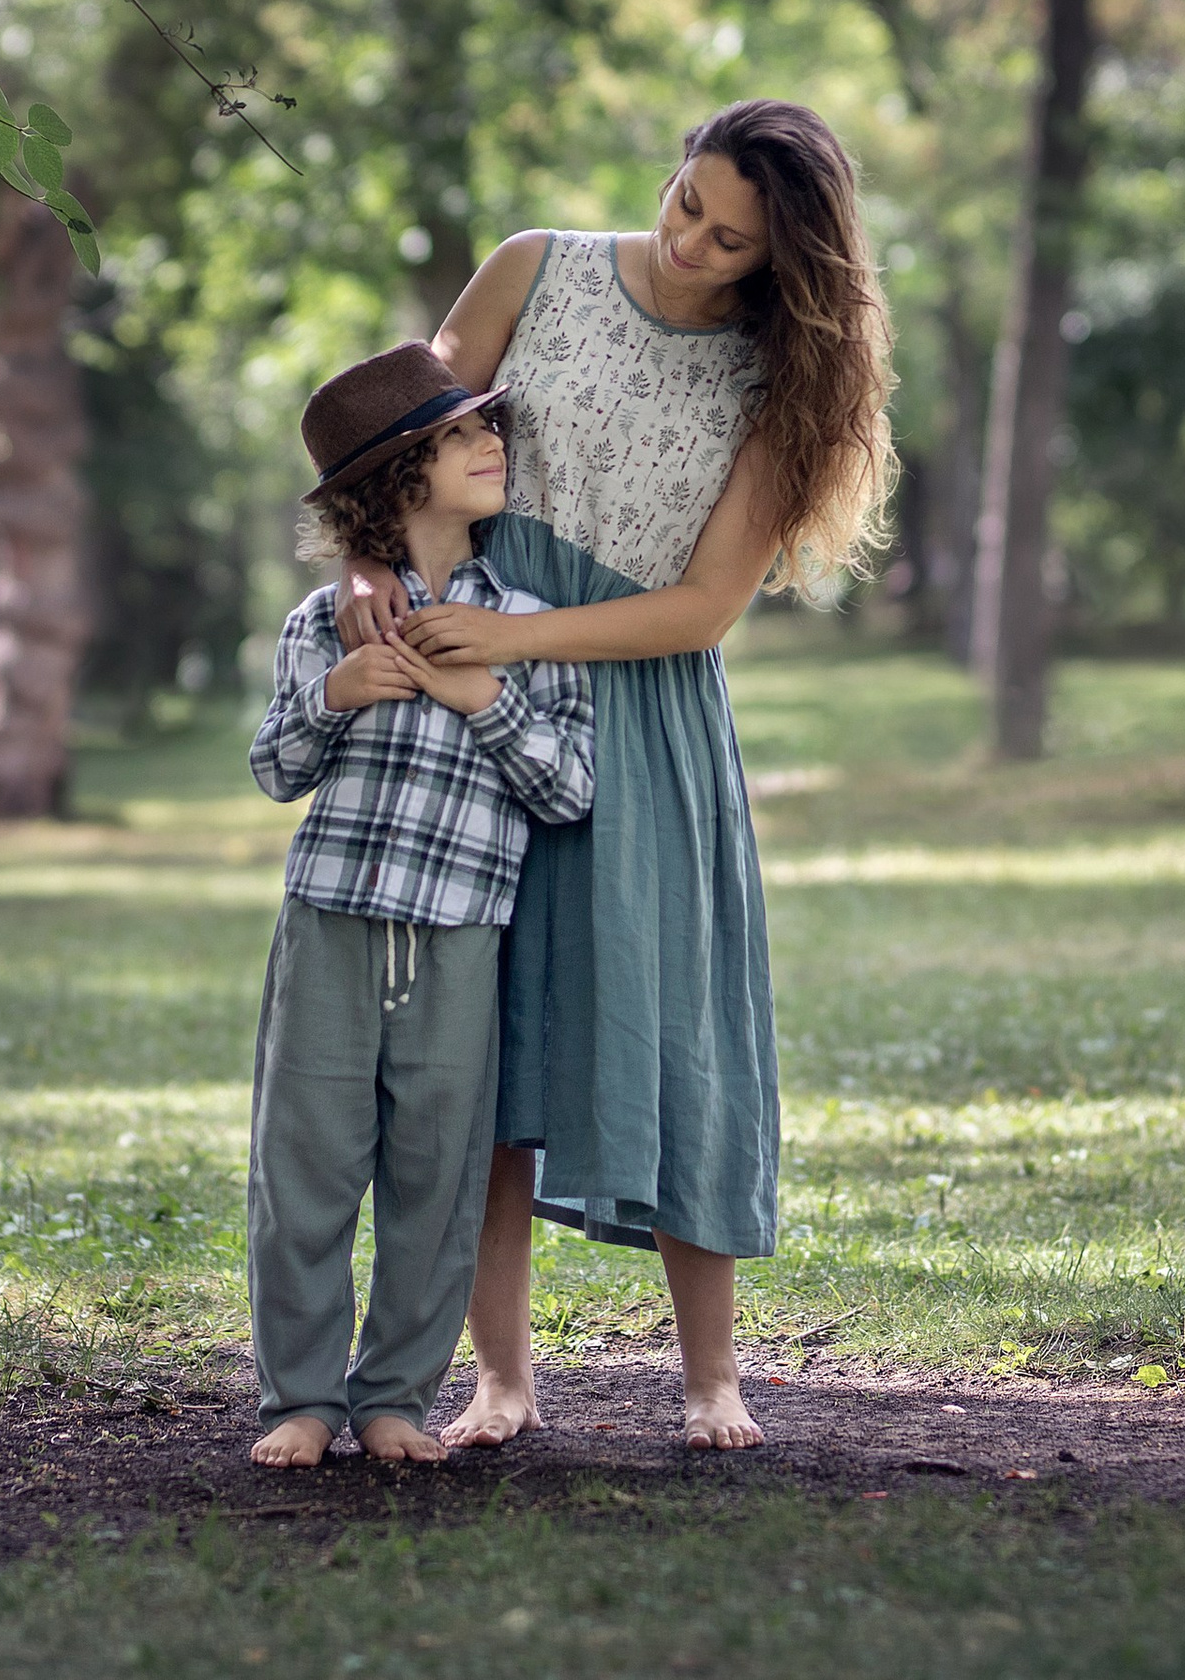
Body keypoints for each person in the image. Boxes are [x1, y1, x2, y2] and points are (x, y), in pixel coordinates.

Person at [338, 100, 894, 1450]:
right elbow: (392, 451)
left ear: (783, 259)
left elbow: (704, 608)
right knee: (479, 1044)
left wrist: (523, 636)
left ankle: (712, 1379)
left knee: (673, 1028)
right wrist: (368, 571)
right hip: (467, 699)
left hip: (639, 716)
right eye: (687, 202)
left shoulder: (778, 385)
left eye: (732, 238)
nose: (692, 240)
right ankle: (501, 1380)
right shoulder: (533, 265)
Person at [244, 342, 596, 1468]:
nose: (491, 443)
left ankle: (394, 1394)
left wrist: (481, 696)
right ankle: (298, 1399)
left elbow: (569, 789)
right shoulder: (322, 622)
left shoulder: (531, 627)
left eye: (486, 428)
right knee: (303, 1166)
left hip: (459, 935)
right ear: (394, 479)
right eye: (458, 436)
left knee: (437, 1176)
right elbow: (273, 769)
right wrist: (336, 697)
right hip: (331, 920)